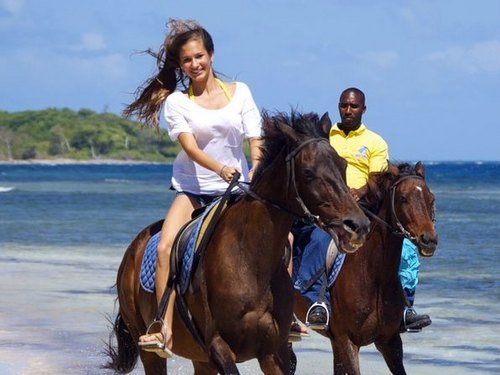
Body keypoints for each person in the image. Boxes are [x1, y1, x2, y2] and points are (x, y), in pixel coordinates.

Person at [123, 19, 263, 358]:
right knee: (164, 247)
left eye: (199, 56)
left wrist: (255, 165)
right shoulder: (177, 103)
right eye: (187, 60)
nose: (194, 64)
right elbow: (190, 148)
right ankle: (162, 328)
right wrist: (220, 168)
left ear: (211, 55)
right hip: (194, 189)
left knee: (285, 240)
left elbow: (254, 137)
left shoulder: (240, 91)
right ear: (181, 66)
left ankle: (286, 320)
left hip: (237, 191)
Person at [296, 87, 431, 332]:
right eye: (344, 105)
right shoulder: (328, 136)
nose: (348, 110)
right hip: (330, 207)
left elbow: (377, 176)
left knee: (405, 250)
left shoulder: (375, 142)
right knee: (318, 239)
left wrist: (359, 192)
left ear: (363, 109)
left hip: (365, 206)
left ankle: (405, 308)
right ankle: (314, 300)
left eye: (354, 106)